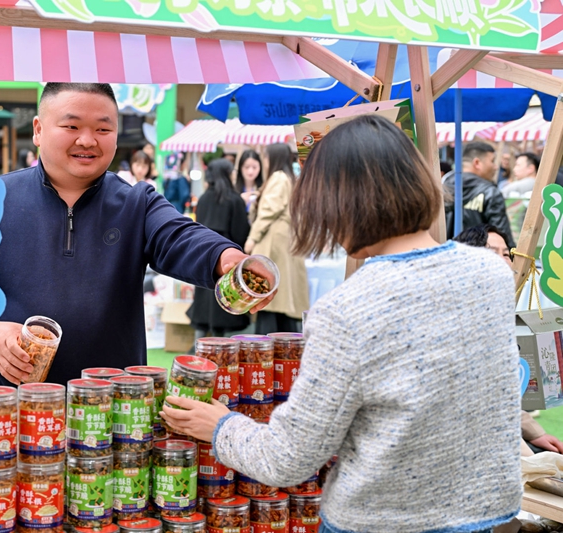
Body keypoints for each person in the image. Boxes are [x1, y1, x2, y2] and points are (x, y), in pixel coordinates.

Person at [162, 114, 521, 533]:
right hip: (484, 512)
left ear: (337, 203)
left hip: (380, 520)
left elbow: (287, 459)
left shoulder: (348, 309)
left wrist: (220, 426)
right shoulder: (492, 273)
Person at [0, 83, 270, 386]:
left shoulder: (136, 203)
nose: (88, 140)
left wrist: (228, 258)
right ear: (38, 130)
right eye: (71, 126)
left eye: (103, 128)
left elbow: (179, 236)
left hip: (114, 419)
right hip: (16, 416)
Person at [453, 224, 563, 456]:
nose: (504, 261)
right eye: (491, 252)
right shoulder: (457, 316)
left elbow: (501, 394)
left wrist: (536, 434)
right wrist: (530, 458)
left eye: (506, 254)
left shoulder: (498, 310)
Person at [244, 143, 309, 334]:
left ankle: (267, 346)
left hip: (273, 241)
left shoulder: (278, 178)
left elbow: (268, 211)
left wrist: (252, 238)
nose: (264, 161)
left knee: (269, 295)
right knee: (282, 301)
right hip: (285, 239)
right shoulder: (290, 178)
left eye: (265, 157)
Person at [187, 158, 251, 340]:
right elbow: (240, 232)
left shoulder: (204, 198)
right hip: (227, 254)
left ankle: (199, 342)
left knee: (203, 295)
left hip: (202, 252)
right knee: (223, 298)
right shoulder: (233, 199)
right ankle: (219, 341)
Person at [444, 142, 515, 248]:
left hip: (447, 256)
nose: (496, 167)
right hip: (482, 258)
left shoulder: (443, 188)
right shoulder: (490, 192)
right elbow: (503, 235)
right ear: (477, 163)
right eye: (492, 161)